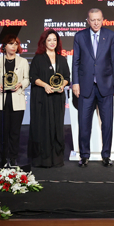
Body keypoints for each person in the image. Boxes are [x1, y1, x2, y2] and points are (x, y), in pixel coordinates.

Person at [71, 8, 114, 167]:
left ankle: (106, 155)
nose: (96, 23)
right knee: (84, 123)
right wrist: (75, 82)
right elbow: (76, 62)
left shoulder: (111, 35)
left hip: (106, 85)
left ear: (103, 19)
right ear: (88, 20)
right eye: (93, 20)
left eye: (98, 19)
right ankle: (84, 155)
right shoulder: (80, 36)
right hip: (85, 86)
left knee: (107, 123)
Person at [29, 29, 71, 168]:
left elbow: (67, 77)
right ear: (44, 42)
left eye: (54, 40)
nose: (52, 42)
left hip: (57, 98)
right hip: (42, 98)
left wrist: (62, 85)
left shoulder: (62, 59)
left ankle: (57, 159)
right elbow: (33, 77)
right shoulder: (38, 58)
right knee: (43, 128)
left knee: (57, 127)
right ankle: (43, 159)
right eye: (49, 40)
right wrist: (45, 85)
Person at [0, 34, 30, 167]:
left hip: (17, 100)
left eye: (16, 44)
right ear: (4, 46)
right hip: (2, 100)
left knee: (15, 132)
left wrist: (21, 84)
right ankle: (3, 159)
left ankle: (13, 158)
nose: (14, 46)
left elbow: (27, 79)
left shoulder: (23, 61)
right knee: (3, 132)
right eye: (11, 43)